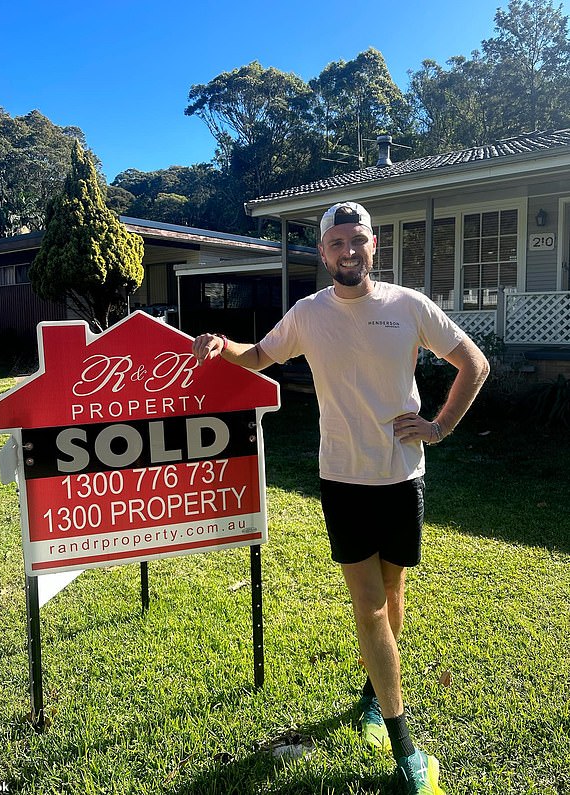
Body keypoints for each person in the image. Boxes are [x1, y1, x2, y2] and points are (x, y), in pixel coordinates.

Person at [191, 201, 490, 795]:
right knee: (371, 607)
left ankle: (372, 701)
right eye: (336, 243)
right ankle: (405, 746)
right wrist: (223, 345)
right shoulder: (308, 314)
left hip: (403, 477)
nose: (348, 251)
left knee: (394, 592)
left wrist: (440, 426)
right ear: (322, 252)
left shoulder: (407, 306)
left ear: (373, 245)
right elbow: (258, 358)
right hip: (343, 480)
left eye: (358, 240)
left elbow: (472, 363)